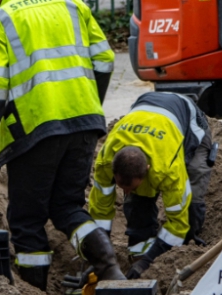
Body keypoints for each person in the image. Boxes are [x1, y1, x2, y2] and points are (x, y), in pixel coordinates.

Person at [0, 0, 124, 291]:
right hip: (85, 123)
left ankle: (35, 293)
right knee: (67, 207)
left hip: (35, 132)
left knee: (27, 220)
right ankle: (109, 267)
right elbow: (106, 60)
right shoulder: (72, 5)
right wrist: (89, 103)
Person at [89, 92, 215, 278]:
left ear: (147, 169)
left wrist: (147, 264)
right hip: (146, 106)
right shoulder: (105, 161)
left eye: (130, 187)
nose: (125, 192)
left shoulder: (167, 170)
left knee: (193, 193)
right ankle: (139, 249)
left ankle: (190, 244)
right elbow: (99, 211)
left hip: (189, 120)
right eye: (122, 187)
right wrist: (99, 257)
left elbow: (178, 224)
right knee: (137, 202)